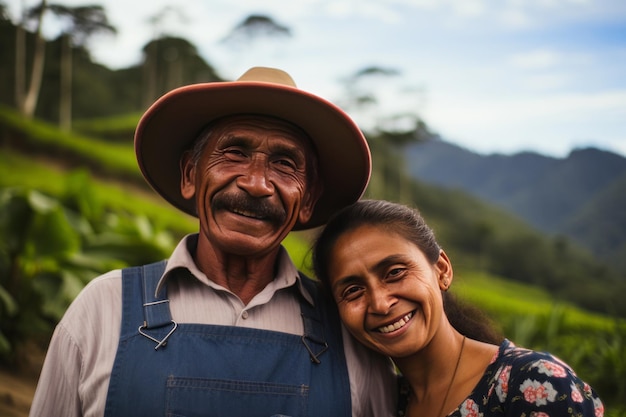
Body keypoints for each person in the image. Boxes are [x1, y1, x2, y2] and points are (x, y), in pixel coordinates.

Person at [29, 67, 397, 417]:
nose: (256, 184)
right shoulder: (103, 308)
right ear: (190, 174)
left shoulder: (350, 332)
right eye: (235, 153)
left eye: (284, 164)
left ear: (309, 200)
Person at [312, 199, 605, 417]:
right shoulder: (383, 402)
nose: (380, 303)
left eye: (395, 272)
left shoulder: (534, 383)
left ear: (441, 269)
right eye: (352, 291)